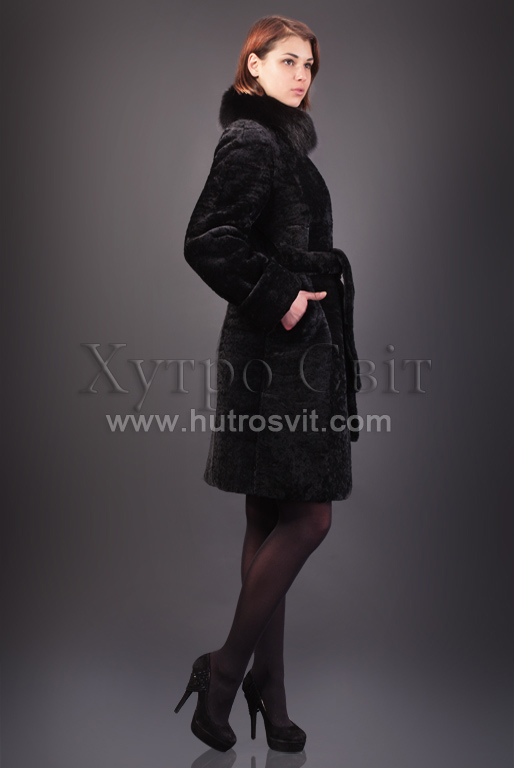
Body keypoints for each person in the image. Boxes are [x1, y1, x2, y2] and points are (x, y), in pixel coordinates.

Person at [174, 15, 361, 754]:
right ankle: (224, 672)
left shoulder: (281, 144)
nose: (301, 75)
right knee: (307, 519)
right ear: (252, 65)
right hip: (278, 355)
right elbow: (207, 239)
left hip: (285, 355)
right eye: (287, 60)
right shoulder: (253, 140)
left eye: (309, 65)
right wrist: (282, 296)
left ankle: (269, 692)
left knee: (270, 518)